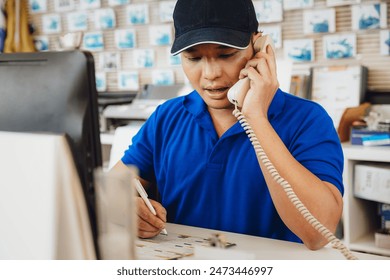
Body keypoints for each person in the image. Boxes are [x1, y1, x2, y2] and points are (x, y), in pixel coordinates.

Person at [113, 0, 344, 250]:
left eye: (226, 55)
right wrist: (125, 209)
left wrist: (256, 118)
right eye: (194, 58)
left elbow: (318, 234)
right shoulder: (167, 117)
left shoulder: (307, 119)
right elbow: (108, 192)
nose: (210, 73)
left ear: (259, 49)